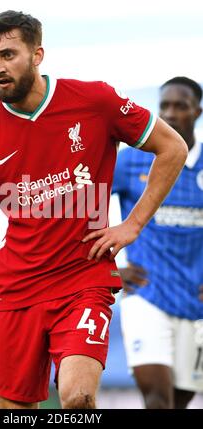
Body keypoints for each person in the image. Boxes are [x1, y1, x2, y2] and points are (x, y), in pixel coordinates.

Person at [0, 11, 187, 410]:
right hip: (16, 293)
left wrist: (132, 226)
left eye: (8, 55)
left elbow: (173, 148)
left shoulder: (94, 102)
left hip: (84, 279)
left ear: (37, 54)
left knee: (78, 400)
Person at [113, 76, 203, 409]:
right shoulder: (132, 160)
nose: (170, 113)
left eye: (181, 106)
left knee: (178, 403)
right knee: (156, 399)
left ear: (198, 112)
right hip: (145, 296)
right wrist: (106, 269)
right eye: (164, 105)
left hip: (196, 304)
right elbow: (83, 205)